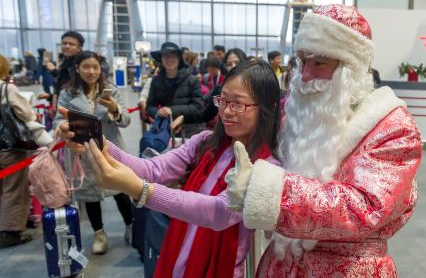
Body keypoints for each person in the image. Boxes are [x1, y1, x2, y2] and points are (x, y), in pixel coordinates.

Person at [225, 4, 422, 277]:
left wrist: (266, 191)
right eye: (302, 61)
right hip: (283, 263)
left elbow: (363, 209)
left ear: (349, 68)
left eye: (319, 63)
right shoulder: (299, 118)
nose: (305, 76)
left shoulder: (392, 128)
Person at [57, 59, 282, 277]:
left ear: (267, 108)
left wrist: (142, 191)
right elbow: (152, 169)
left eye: (238, 104)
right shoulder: (205, 143)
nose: (227, 111)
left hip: (218, 267)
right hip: (178, 254)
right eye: (222, 100)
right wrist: (100, 143)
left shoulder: (266, 168)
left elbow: (220, 212)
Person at [53, 51, 133, 255]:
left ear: (100, 69)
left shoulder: (111, 91)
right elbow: (57, 120)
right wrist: (63, 127)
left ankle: (131, 225)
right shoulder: (67, 93)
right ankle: (99, 234)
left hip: (110, 147)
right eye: (86, 67)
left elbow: (125, 120)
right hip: (82, 151)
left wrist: (114, 108)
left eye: (95, 67)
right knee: (90, 195)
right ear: (77, 69)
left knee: (121, 190)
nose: (91, 71)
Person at [0, 54, 53, 248]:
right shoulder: (6, 88)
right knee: (14, 189)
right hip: (9, 147)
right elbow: (26, 114)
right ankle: (11, 232)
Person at [146, 42, 205, 137]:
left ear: (179, 59)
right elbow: (149, 107)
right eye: (165, 56)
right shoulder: (156, 81)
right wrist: (158, 112)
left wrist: (172, 110)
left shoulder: (192, 80)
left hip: (189, 130)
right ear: (161, 59)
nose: (169, 59)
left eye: (173, 56)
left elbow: (198, 106)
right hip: (165, 130)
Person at [46, 31, 85, 114]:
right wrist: (53, 99)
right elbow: (61, 82)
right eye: (64, 43)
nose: (67, 46)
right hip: (63, 102)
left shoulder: (82, 63)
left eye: (71, 44)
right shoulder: (65, 59)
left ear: (79, 48)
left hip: (75, 106)